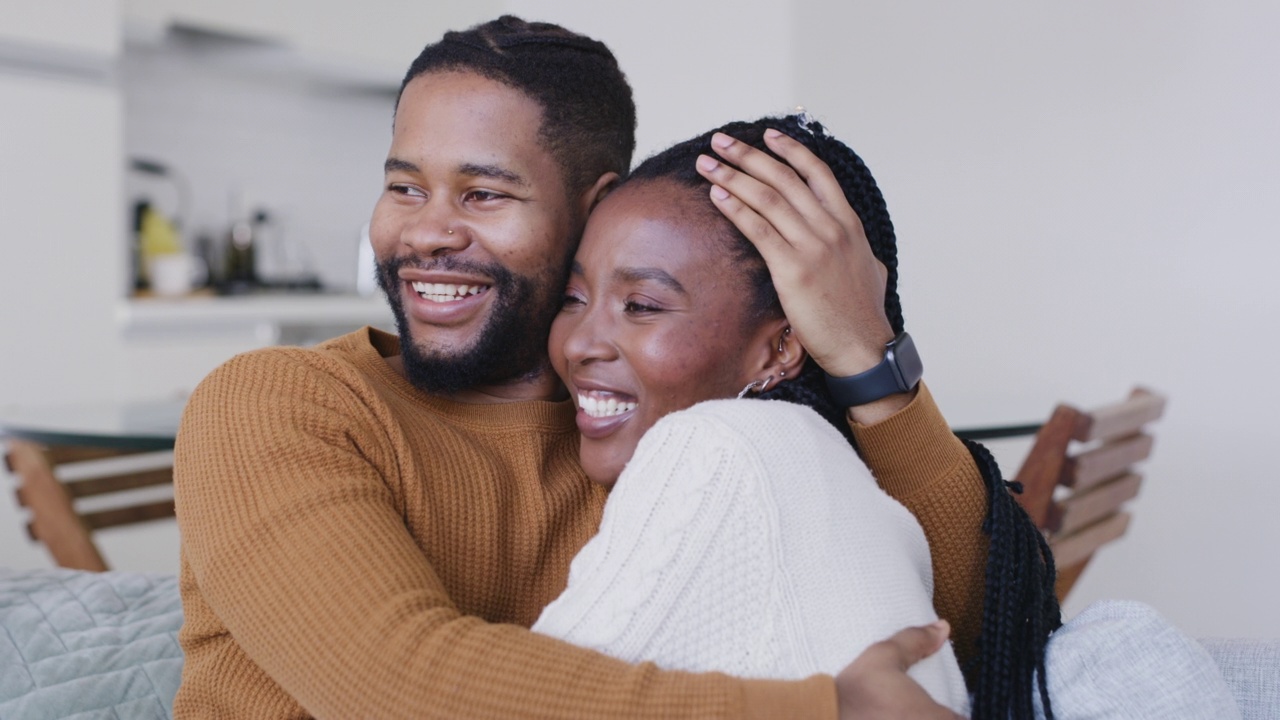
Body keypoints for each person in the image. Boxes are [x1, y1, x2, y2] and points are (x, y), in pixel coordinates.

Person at [173, 16, 991, 719]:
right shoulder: (277, 403)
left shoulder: (651, 433)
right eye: (404, 187)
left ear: (592, 207)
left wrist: (862, 356)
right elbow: (396, 682)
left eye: (483, 195)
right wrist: (822, 710)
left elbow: (947, 621)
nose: (426, 233)